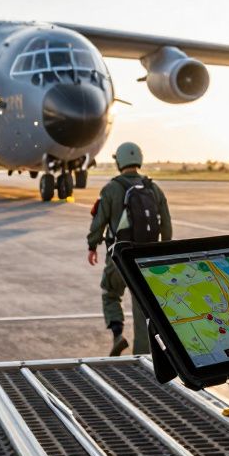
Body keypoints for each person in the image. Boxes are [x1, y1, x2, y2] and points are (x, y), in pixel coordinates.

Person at [86, 141, 172, 356]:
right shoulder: (154, 188)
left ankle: (117, 335)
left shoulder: (112, 188)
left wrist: (92, 245)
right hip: (145, 261)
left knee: (110, 294)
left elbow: (99, 222)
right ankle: (143, 357)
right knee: (143, 310)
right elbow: (166, 226)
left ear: (119, 161)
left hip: (119, 259)